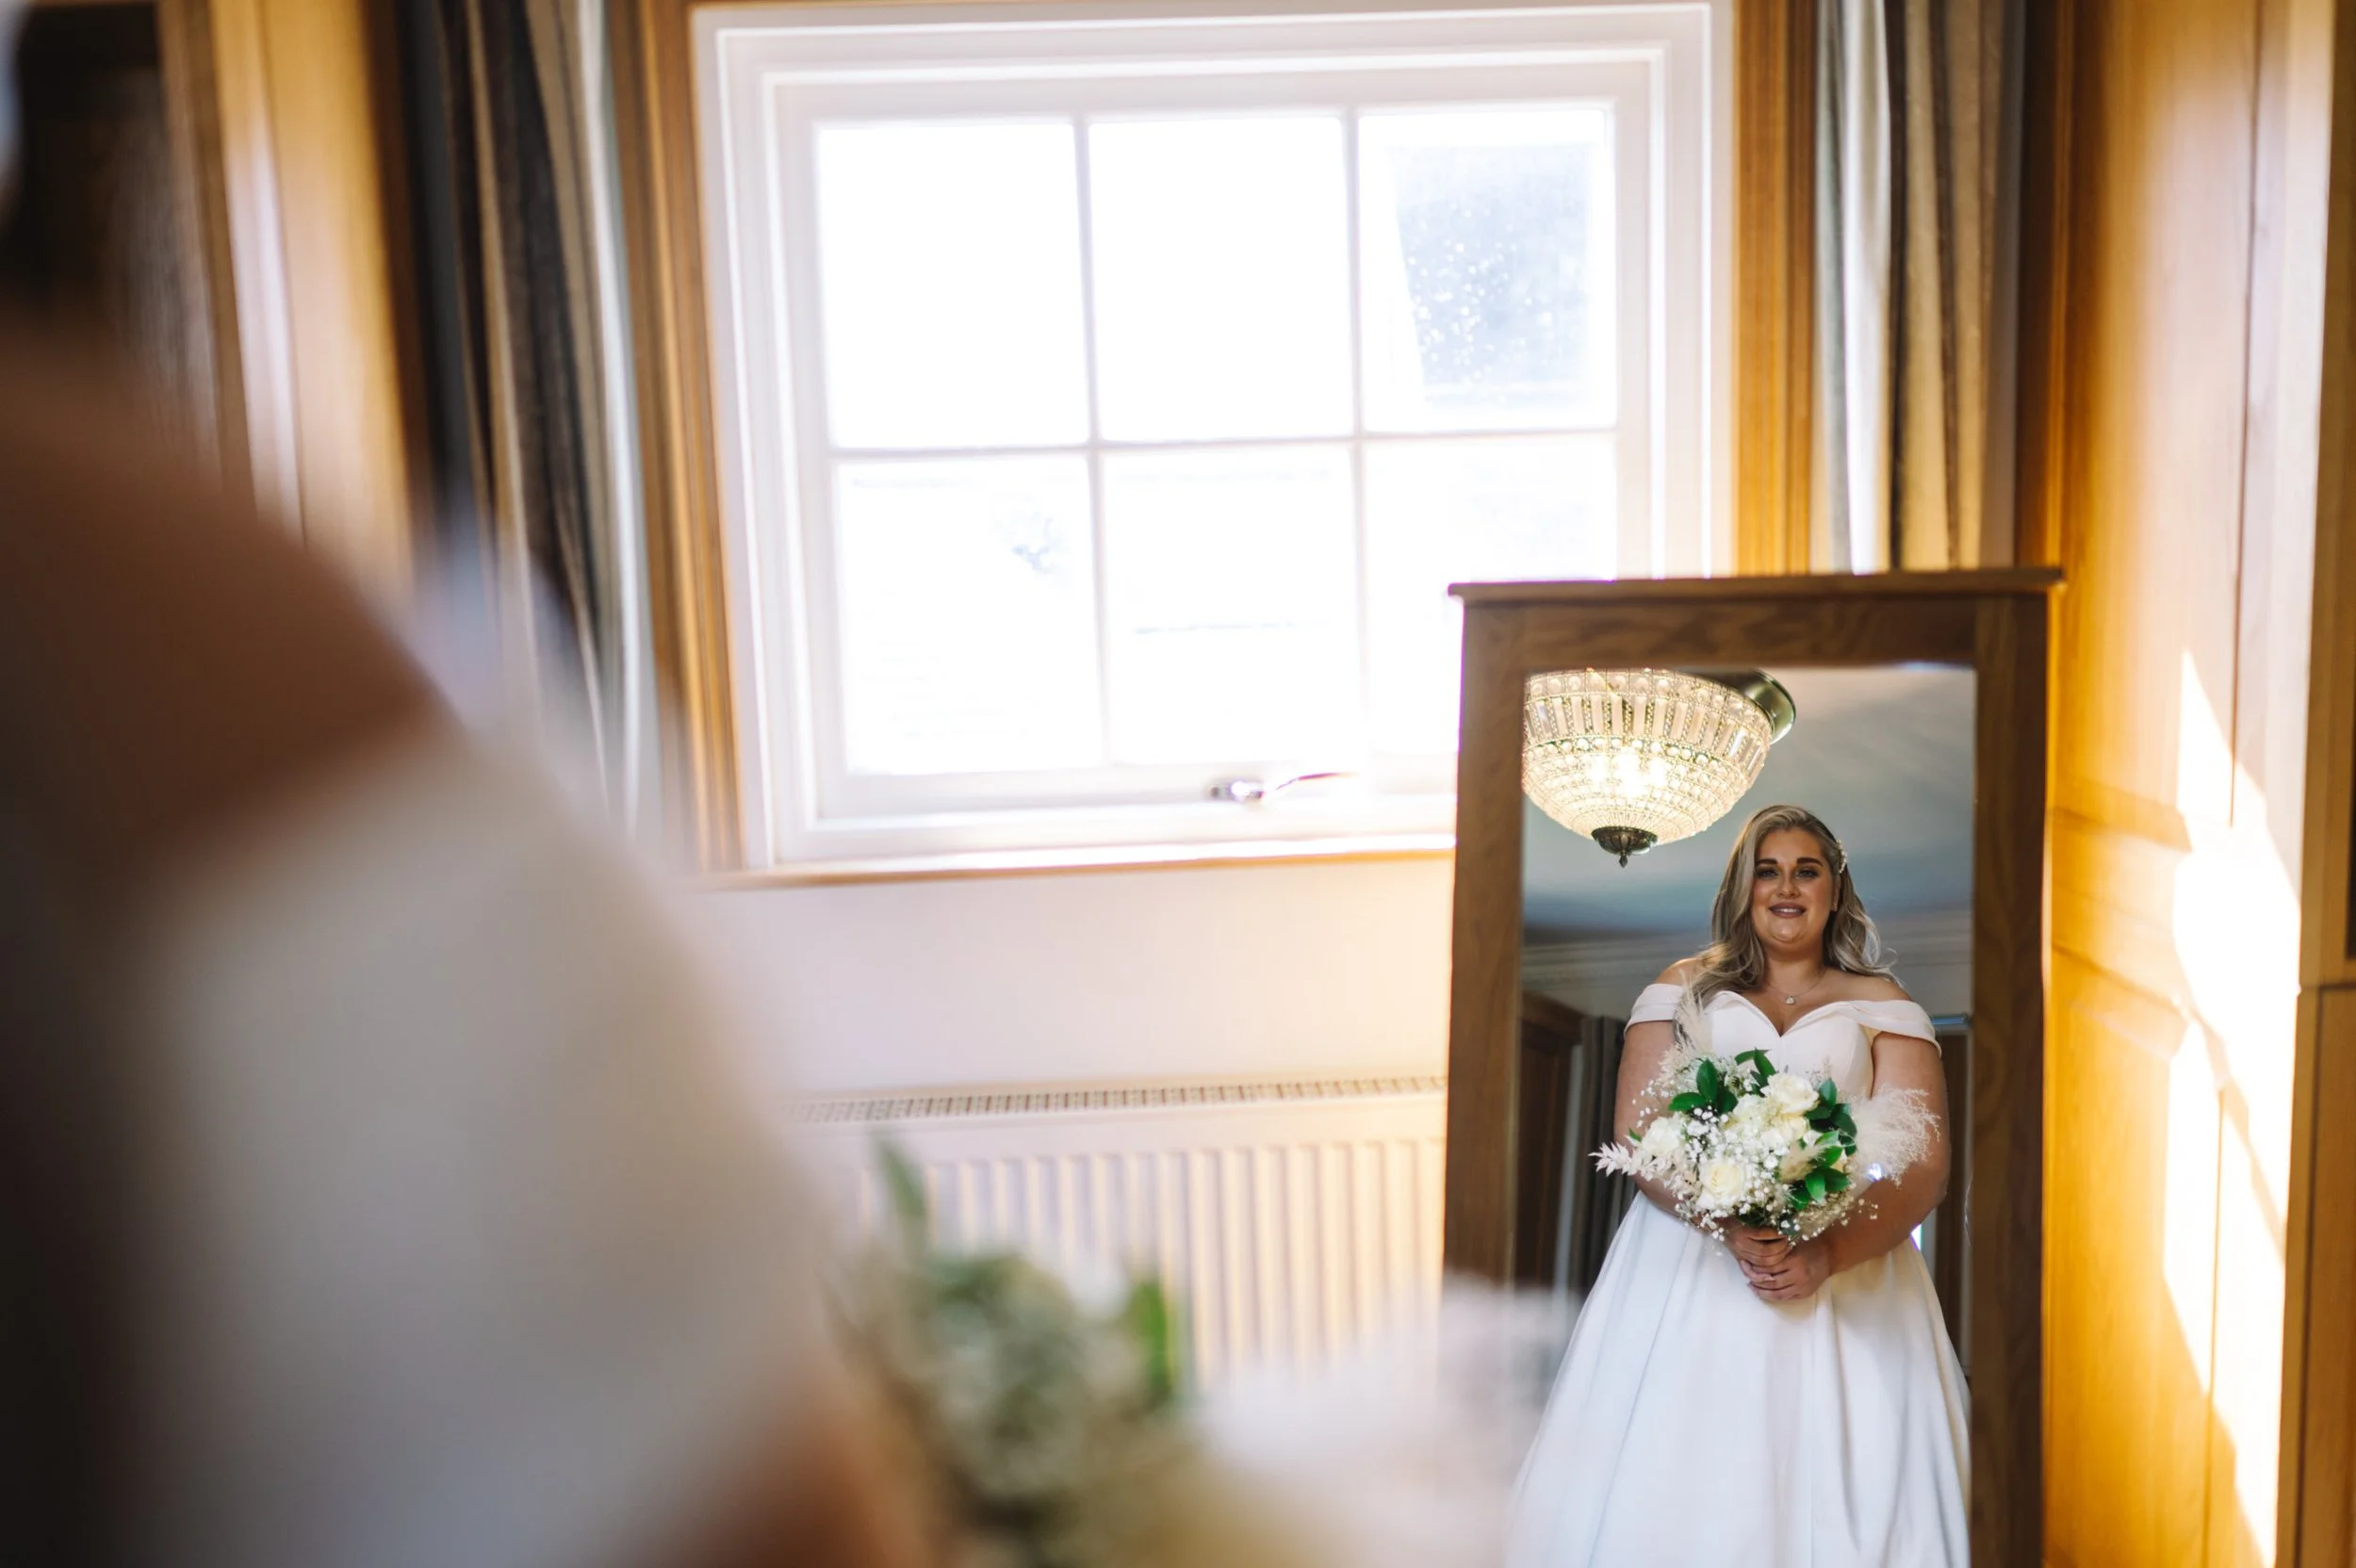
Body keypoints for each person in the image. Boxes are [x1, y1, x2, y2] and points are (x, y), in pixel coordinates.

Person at [1510, 804, 1969, 1566]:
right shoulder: (1682, 988)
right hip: (1693, 1259)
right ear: (1742, 887)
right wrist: (1727, 1224)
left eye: (1806, 871)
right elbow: (1642, 1135)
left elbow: (1923, 1166)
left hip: (1846, 1267)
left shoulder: (1884, 1003)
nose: (1785, 888)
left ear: (1834, 889)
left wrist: (1826, 1254)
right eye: (1767, 871)